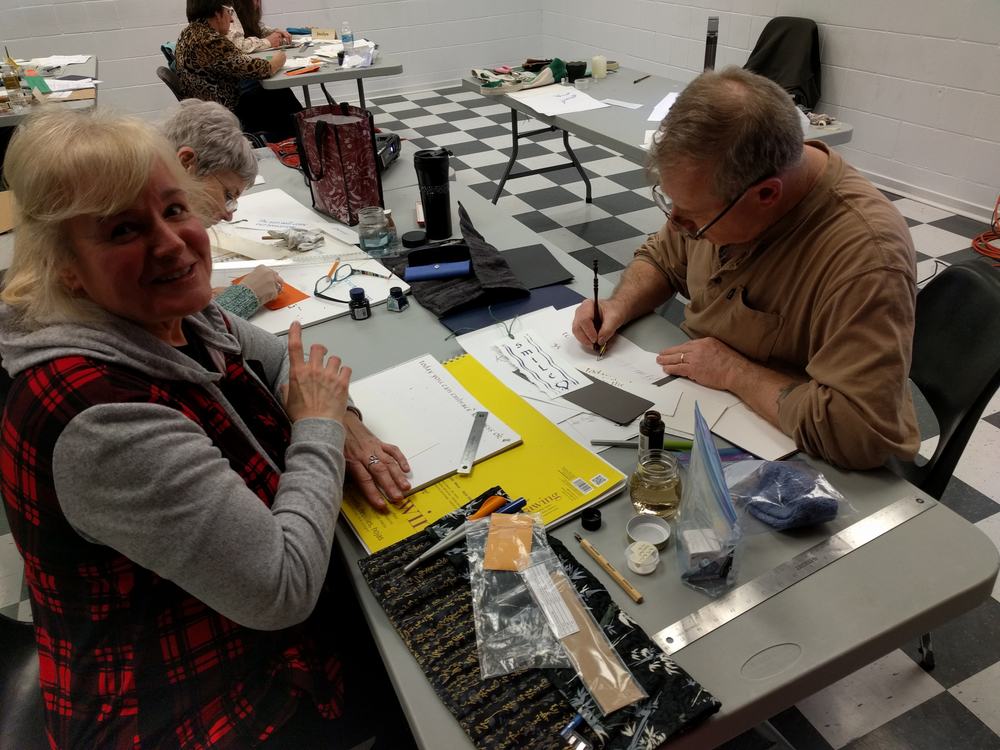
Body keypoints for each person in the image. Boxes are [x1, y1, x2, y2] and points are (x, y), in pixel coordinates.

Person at [0, 108, 413, 749]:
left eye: (173, 210)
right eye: (123, 230)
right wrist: (320, 428)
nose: (170, 244)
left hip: (225, 617)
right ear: (65, 266)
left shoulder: (167, 314)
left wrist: (346, 423)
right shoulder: (102, 422)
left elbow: (278, 358)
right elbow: (281, 589)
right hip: (189, 706)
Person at [572, 67, 920, 470]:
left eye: (694, 217)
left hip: (789, 453)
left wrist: (733, 371)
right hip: (698, 406)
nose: (677, 224)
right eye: (671, 205)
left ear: (766, 194)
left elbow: (858, 432)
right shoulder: (720, 194)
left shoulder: (867, 259)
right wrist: (620, 305)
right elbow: (663, 258)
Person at [162, 97, 283, 319]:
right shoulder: (143, 235)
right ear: (187, 163)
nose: (228, 215)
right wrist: (247, 295)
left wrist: (204, 303)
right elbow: (174, 334)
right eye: (228, 195)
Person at [175, 0, 302, 142]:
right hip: (222, 113)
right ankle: (305, 136)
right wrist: (280, 57)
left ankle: (303, 134)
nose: (231, 20)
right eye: (229, 12)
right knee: (280, 97)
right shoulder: (209, 41)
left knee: (277, 95)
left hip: (208, 108)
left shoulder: (190, 33)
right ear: (217, 14)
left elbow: (236, 59)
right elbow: (261, 69)